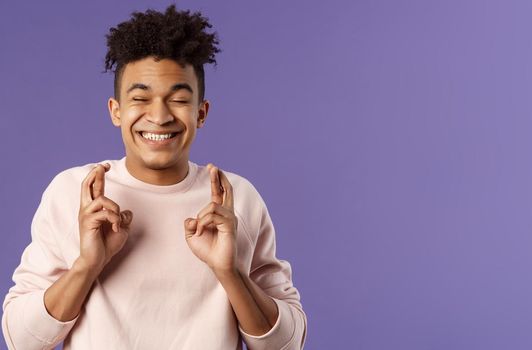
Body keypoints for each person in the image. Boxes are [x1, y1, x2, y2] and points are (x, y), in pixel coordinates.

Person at [1, 5, 307, 350]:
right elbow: (21, 339)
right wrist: (86, 266)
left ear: (201, 113)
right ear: (116, 111)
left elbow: (286, 344)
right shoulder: (74, 192)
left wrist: (230, 271)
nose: (159, 116)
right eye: (140, 98)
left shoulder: (235, 199)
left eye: (178, 99)